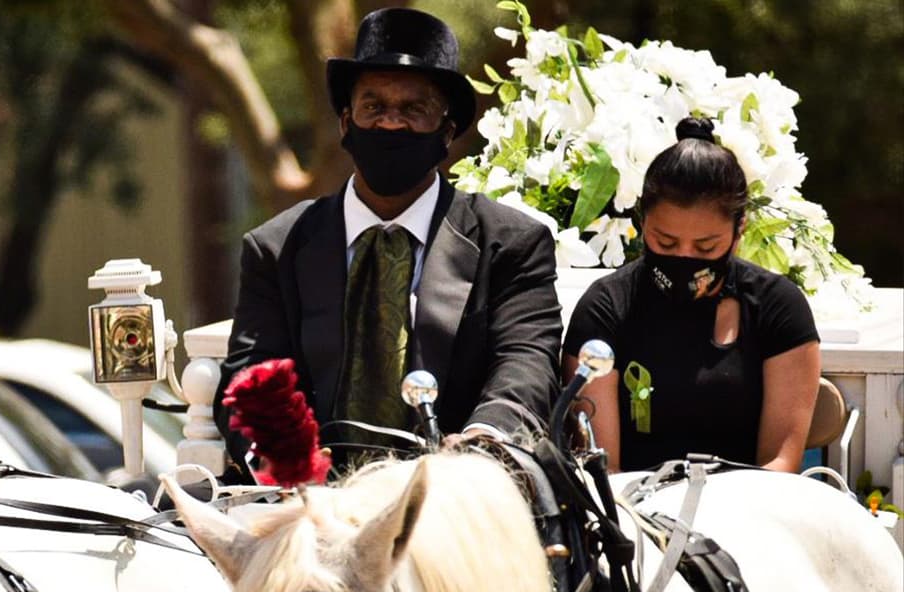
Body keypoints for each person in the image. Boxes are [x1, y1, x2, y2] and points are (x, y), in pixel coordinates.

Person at [216, 7, 562, 469]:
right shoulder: (277, 247)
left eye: (414, 109)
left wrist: (483, 442)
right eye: (373, 107)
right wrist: (292, 462)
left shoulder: (512, 244)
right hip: (315, 505)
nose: (391, 124)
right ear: (345, 122)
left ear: (448, 130)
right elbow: (253, 374)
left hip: (458, 498)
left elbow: (527, 362)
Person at [563, 117, 820, 473]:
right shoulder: (605, 308)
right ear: (641, 221)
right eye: (665, 242)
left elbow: (780, 463)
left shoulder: (778, 308)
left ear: (739, 228)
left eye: (705, 246)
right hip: (632, 518)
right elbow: (603, 468)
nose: (683, 257)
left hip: (748, 513)